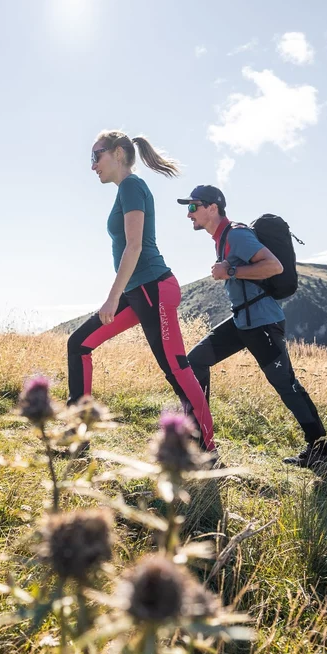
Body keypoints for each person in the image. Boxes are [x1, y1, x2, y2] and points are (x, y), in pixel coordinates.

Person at [66, 131, 215, 451]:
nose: (93, 166)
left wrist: (111, 296)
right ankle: (78, 431)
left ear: (118, 153)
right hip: (138, 291)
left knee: (176, 368)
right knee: (79, 344)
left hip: (153, 288)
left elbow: (134, 245)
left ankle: (206, 448)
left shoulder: (132, 186)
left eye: (96, 156)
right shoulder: (125, 190)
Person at [179, 185, 327, 469]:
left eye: (193, 207)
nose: (188, 214)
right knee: (195, 361)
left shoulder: (236, 234)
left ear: (213, 207)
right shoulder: (222, 237)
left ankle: (320, 450)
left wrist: (231, 271)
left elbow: (274, 267)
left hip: (262, 322)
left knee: (286, 385)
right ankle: (200, 443)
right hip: (242, 321)